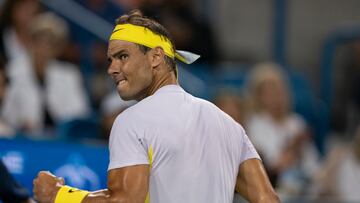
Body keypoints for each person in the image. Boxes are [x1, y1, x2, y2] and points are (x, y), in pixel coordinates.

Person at [33, 10, 279, 203]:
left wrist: (59, 195)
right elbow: (267, 199)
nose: (112, 68)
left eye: (123, 56)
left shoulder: (132, 121)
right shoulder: (229, 125)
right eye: (110, 60)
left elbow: (126, 200)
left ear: (156, 58)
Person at [1, 12, 90, 135]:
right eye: (40, 41)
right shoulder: (13, 71)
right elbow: (6, 113)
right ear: (31, 42)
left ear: (57, 48)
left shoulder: (69, 75)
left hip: (61, 141)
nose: (44, 47)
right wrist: (21, 123)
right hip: (22, 138)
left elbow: (79, 114)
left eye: (51, 43)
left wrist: (61, 125)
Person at [245, 62, 320, 196]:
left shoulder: (297, 122)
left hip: (303, 187)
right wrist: (293, 147)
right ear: (258, 96)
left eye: (279, 90)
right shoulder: (254, 123)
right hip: (272, 189)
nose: (276, 96)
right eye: (269, 91)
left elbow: (313, 166)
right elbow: (271, 167)